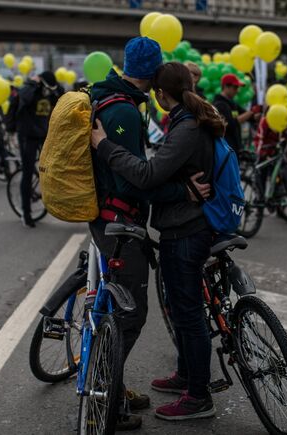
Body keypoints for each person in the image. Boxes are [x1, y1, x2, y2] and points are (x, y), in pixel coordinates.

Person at [88, 37, 206, 431]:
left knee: (115, 309)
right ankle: (108, 397)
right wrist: (181, 190)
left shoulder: (112, 98)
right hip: (119, 220)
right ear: (154, 74)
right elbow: (135, 180)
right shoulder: (125, 110)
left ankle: (113, 386)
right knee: (131, 314)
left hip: (107, 217)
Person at [9, 71, 63, 227]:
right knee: (27, 173)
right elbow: (23, 98)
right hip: (27, 135)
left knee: (54, 166)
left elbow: (61, 97)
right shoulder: (29, 89)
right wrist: (34, 83)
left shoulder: (51, 90)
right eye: (46, 88)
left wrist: (54, 88)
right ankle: (26, 214)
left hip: (43, 133)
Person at [213, 74, 257, 154]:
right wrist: (249, 113)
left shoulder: (232, 103)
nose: (237, 91)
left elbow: (248, 115)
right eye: (235, 87)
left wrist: (255, 115)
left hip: (234, 147)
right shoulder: (219, 105)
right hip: (225, 149)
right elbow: (229, 124)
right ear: (226, 87)